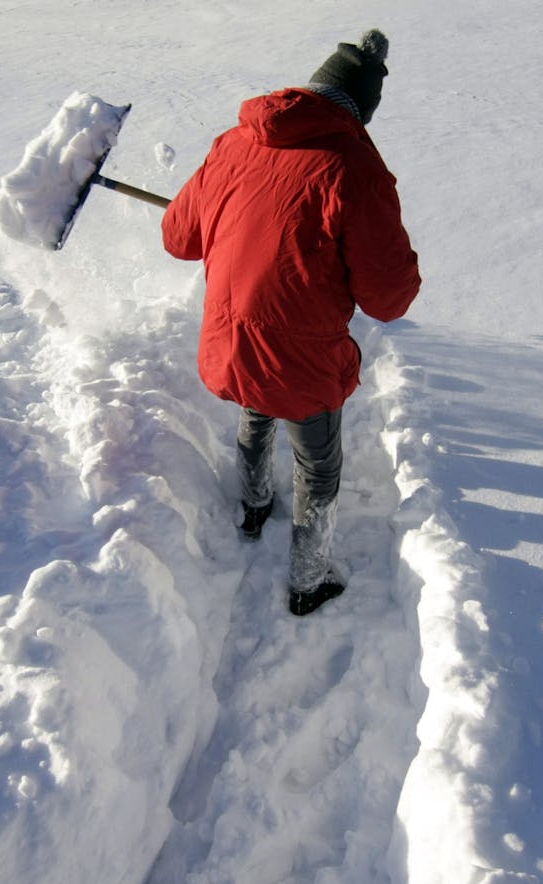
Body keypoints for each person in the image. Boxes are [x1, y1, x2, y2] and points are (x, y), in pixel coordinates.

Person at [162, 29, 422, 616]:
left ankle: (252, 507)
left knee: (257, 400)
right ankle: (308, 580)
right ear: (361, 109)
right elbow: (389, 298)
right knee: (318, 461)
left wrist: (225, 215)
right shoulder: (354, 167)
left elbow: (178, 236)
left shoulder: (234, 142)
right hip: (302, 354)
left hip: (232, 339)